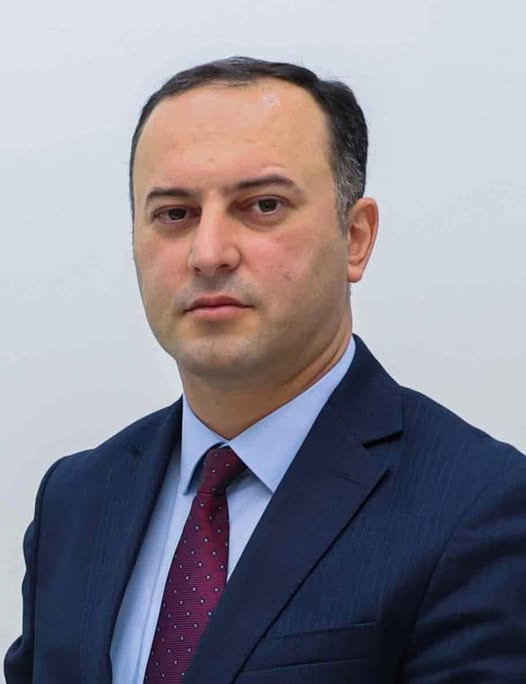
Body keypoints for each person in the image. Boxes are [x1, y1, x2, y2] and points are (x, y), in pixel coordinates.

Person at [5, 56, 526, 684]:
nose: (209, 253)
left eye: (263, 205)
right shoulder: (76, 501)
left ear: (356, 237)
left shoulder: (480, 507)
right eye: (175, 214)